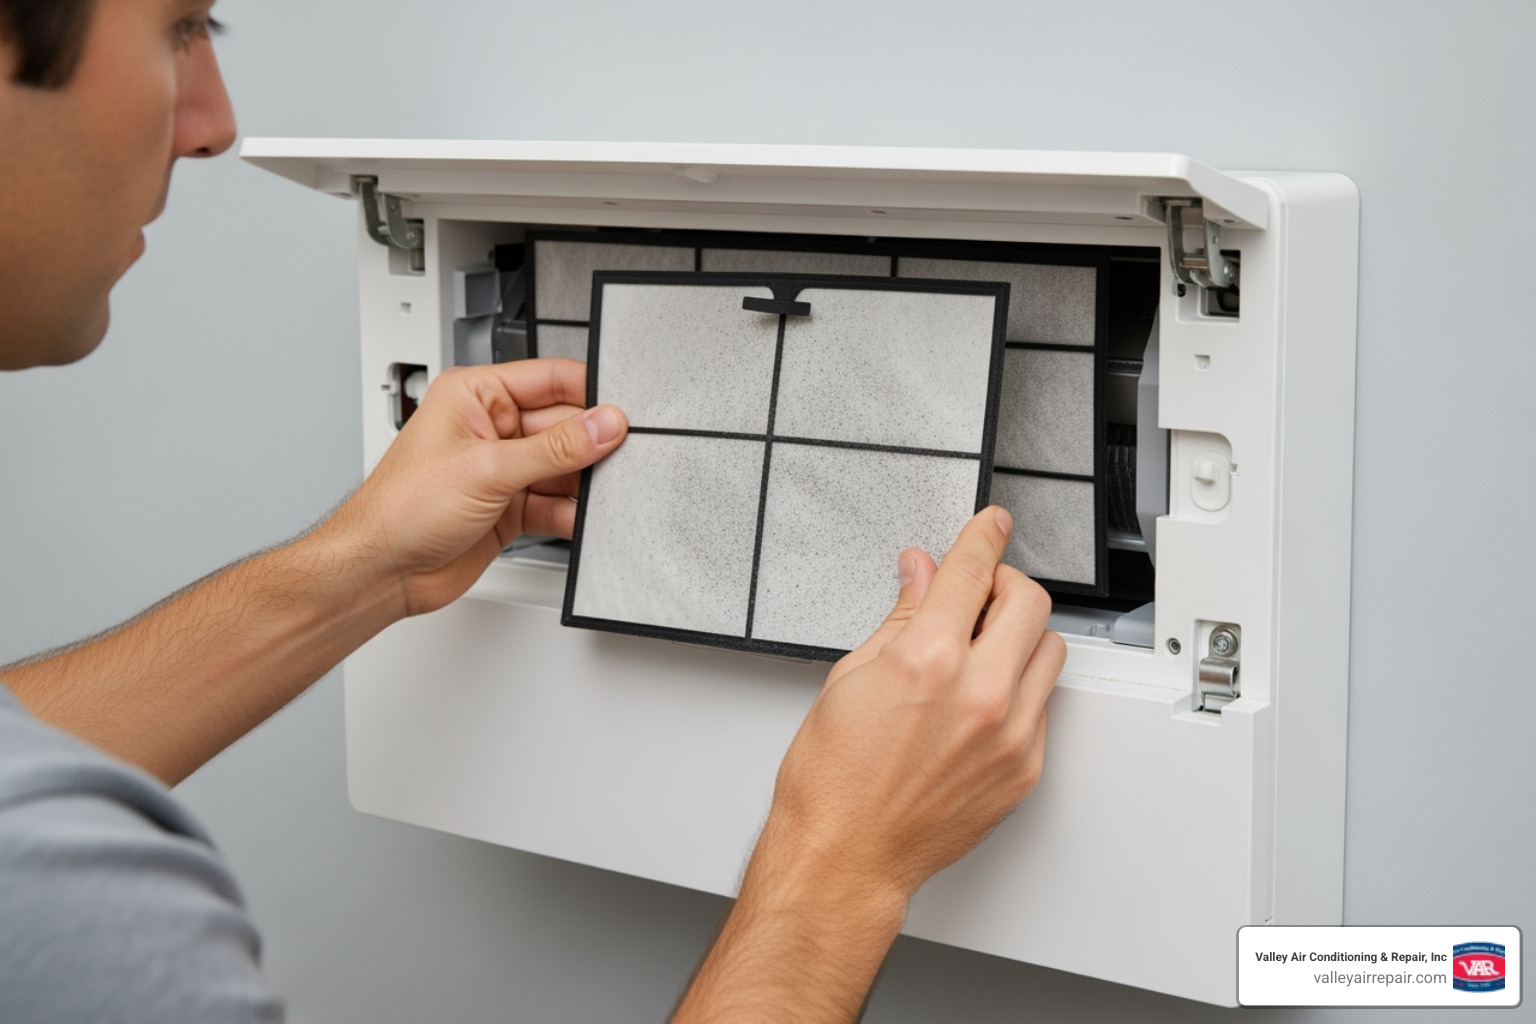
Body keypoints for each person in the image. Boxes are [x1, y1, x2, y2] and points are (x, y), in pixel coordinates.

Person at [0, 1, 1064, 1021]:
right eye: (183, 26)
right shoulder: (82, 917)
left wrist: (371, 566)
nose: (215, 121)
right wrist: (838, 868)